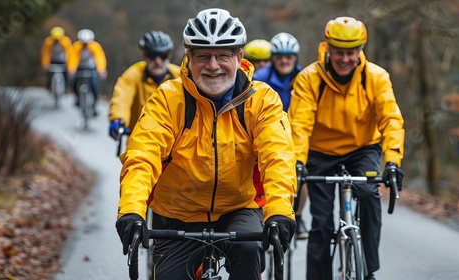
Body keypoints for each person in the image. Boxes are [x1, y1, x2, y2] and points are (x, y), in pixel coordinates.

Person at [115, 8, 296, 280]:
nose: (213, 65)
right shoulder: (167, 99)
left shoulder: (262, 101)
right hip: (178, 212)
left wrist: (280, 210)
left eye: (223, 55)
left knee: (248, 251)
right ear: (188, 58)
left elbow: (277, 156)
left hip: (239, 207)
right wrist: (131, 209)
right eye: (203, 56)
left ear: (239, 57)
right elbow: (143, 155)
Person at [288, 16, 405, 280]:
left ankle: (369, 270)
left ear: (360, 51)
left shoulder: (376, 77)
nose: (344, 59)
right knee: (322, 222)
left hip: (362, 148)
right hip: (320, 152)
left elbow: (391, 120)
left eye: (350, 53)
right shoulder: (309, 79)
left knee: (369, 195)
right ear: (327, 48)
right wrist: (298, 162)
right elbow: (299, 125)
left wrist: (392, 162)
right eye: (338, 52)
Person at [252, 32, 309, 240]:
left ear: (295, 58)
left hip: (296, 133)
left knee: (301, 172)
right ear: (273, 58)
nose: (285, 61)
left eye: (289, 57)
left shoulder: (305, 78)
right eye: (280, 56)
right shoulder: (259, 78)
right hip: (267, 132)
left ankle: (300, 215)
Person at [108, 30, 180, 140]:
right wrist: (118, 119)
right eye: (152, 55)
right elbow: (122, 97)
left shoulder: (180, 76)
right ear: (144, 55)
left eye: (162, 55)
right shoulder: (133, 74)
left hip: (175, 141)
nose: (158, 60)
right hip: (140, 139)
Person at [67, 28, 107, 116]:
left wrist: (101, 70)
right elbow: (72, 58)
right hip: (79, 69)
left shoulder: (95, 46)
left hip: (91, 69)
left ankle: (94, 106)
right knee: (73, 82)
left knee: (94, 85)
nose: (85, 45)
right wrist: (71, 70)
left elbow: (100, 58)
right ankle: (78, 98)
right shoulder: (76, 46)